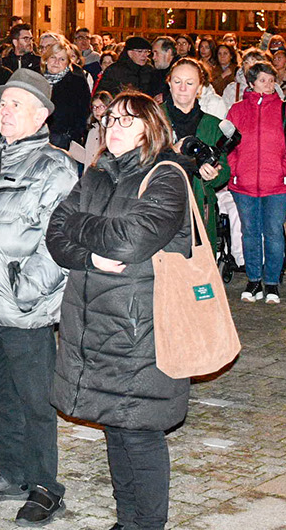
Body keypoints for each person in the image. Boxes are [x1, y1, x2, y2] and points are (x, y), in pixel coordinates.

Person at [48, 90, 193, 530]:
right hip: (92, 321)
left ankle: (147, 524)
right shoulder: (96, 174)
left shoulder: (166, 176)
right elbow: (55, 233)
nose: (113, 127)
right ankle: (126, 520)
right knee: (114, 425)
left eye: (126, 121)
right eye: (110, 120)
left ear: (151, 128)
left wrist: (80, 227)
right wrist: (90, 255)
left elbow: (132, 240)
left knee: (138, 429)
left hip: (140, 327)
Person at [0, 68, 80, 525]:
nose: (4, 112)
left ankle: (47, 485)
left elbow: (61, 244)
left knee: (35, 400)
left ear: (42, 114)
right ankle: (10, 472)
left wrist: (24, 289)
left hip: (23, 308)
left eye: (16, 105)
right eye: (3, 104)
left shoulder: (55, 166)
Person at [226, 61, 286, 303]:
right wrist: (235, 169)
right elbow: (227, 145)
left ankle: (271, 282)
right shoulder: (237, 110)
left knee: (273, 233)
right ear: (250, 83)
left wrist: (284, 168)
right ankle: (253, 281)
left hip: (277, 185)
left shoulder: (285, 109)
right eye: (263, 80)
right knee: (250, 233)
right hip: (244, 184)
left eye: (271, 81)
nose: (268, 85)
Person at [162, 58, 231, 249]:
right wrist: (171, 152)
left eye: (190, 83)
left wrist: (214, 175)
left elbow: (225, 168)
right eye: (177, 81)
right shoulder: (154, 120)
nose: (183, 88)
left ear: (199, 88)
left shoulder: (213, 124)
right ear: (169, 83)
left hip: (200, 206)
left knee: (199, 267)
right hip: (162, 204)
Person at [43, 38, 92, 152]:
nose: (56, 62)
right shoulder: (36, 78)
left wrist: (71, 136)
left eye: (62, 59)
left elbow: (84, 112)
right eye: (53, 57)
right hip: (35, 136)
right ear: (46, 59)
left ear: (68, 63)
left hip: (63, 140)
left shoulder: (77, 82)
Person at [93, 35, 164, 99]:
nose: (144, 55)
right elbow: (102, 95)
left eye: (146, 52)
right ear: (129, 53)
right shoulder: (114, 71)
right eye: (140, 52)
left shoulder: (150, 70)